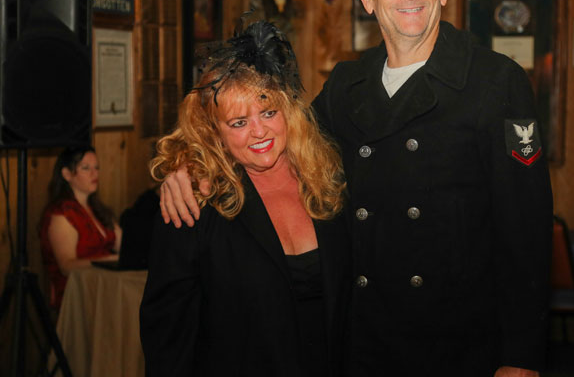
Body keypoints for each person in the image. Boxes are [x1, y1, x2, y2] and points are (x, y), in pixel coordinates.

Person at [160, 0, 553, 377]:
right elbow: (272, 139)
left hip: (458, 343)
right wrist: (189, 165)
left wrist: (521, 358)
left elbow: (525, 230)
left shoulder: (495, 80)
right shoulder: (348, 85)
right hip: (362, 340)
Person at [139, 21, 350, 376]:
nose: (259, 131)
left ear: (288, 112)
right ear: (214, 131)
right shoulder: (195, 201)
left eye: (268, 112)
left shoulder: (327, 179)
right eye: (238, 122)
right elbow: (167, 333)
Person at [39, 146, 122, 309]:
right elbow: (66, 266)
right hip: (77, 294)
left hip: (105, 286)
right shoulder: (61, 214)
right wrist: (109, 260)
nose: (94, 174)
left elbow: (124, 245)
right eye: (86, 168)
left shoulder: (99, 210)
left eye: (97, 168)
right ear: (67, 174)